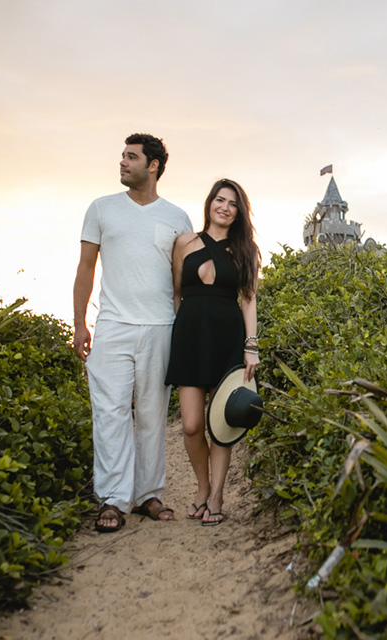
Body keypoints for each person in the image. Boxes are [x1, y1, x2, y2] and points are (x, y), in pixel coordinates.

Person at [73, 133, 193, 533]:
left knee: (152, 413)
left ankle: (147, 495)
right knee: (110, 411)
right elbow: (85, 268)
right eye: (122, 156)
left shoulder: (177, 217)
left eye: (131, 157)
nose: (123, 162)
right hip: (113, 325)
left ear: (153, 166)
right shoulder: (101, 209)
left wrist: (184, 331)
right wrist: (79, 324)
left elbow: (181, 283)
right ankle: (112, 499)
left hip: (161, 326)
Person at [165, 178, 260, 526]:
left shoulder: (244, 250)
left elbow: (248, 300)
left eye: (232, 203)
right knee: (191, 426)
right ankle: (202, 487)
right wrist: (181, 330)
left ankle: (217, 496)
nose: (225, 207)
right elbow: (176, 292)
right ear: (209, 203)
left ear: (239, 212)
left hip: (227, 339)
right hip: (190, 337)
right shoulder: (184, 243)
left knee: (221, 424)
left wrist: (251, 347)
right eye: (220, 200)